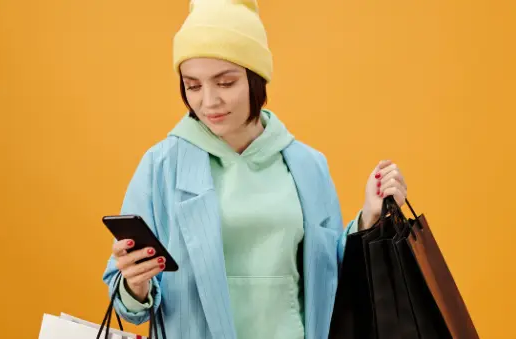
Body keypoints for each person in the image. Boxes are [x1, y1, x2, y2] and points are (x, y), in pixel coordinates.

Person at [102, 1, 408, 338]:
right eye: (193, 86)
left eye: (225, 82)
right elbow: (127, 307)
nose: (209, 101)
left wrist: (369, 218)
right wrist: (135, 283)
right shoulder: (161, 166)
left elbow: (331, 276)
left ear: (255, 78)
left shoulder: (308, 165)